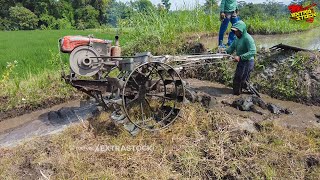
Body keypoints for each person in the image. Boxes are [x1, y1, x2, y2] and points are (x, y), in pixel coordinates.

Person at [226, 20, 256, 95]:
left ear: (242, 30)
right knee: (237, 78)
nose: (235, 33)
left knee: (243, 80)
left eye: (237, 31)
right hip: (241, 61)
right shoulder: (237, 39)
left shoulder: (248, 38)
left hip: (248, 62)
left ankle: (253, 94)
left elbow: (253, 51)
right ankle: (237, 94)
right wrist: (225, 52)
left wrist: (240, 57)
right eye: (234, 31)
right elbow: (231, 48)